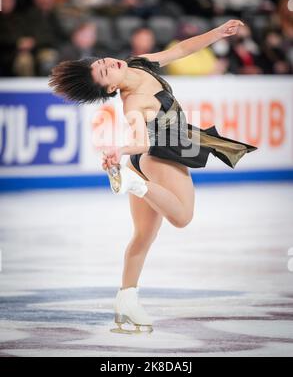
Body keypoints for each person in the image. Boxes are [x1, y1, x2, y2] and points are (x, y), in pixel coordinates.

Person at [48, 19, 258, 334]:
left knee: (143, 236)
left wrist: (217, 33)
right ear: (110, 87)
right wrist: (121, 151)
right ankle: (138, 185)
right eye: (106, 71)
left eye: (103, 62)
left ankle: (126, 299)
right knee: (182, 217)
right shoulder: (132, 101)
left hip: (146, 158)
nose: (109, 64)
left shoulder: (138, 64)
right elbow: (144, 140)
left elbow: (181, 49)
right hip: (157, 155)